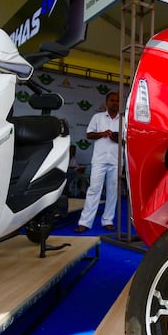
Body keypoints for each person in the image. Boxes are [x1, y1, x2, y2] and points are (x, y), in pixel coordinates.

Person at [75, 92, 120, 233]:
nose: (115, 103)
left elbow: (127, 141)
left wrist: (116, 138)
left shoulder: (123, 120)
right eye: (112, 100)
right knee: (94, 189)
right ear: (107, 102)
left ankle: (108, 220)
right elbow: (89, 134)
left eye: (117, 101)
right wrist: (102, 133)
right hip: (99, 160)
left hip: (115, 160)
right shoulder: (98, 117)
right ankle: (85, 222)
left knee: (113, 192)